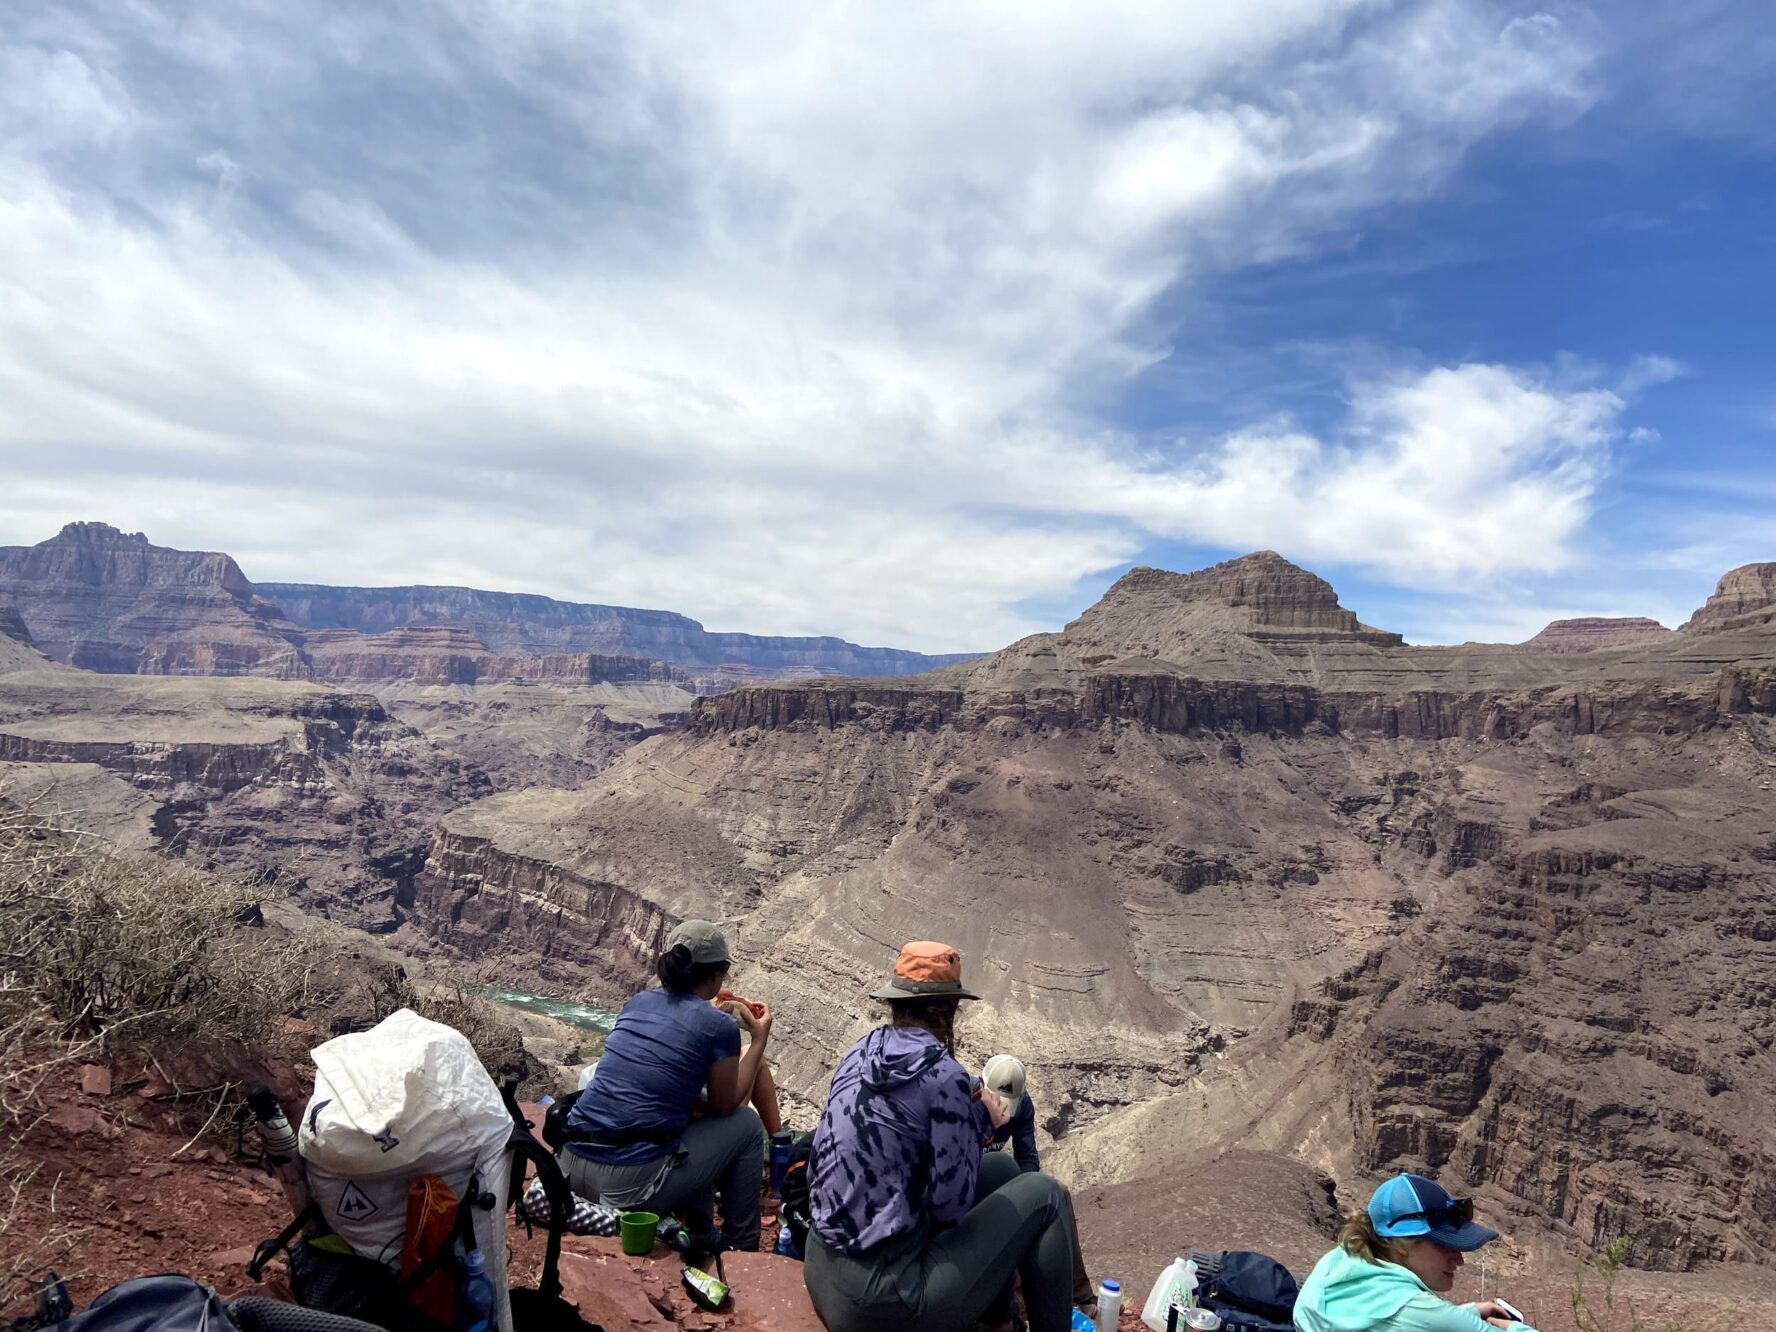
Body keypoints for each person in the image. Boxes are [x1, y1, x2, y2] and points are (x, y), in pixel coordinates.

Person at [803, 941, 1077, 1332]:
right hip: (881, 1300)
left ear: (897, 1003)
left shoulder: (860, 1051)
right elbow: (950, 1207)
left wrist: (969, 1120)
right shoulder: (945, 1077)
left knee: (1000, 1167)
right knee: (1045, 1195)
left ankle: (998, 1322)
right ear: (949, 1011)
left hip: (821, 1265)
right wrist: (981, 1125)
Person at [558, 919, 770, 1250]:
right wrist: (758, 1040)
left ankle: (701, 1231)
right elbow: (727, 1106)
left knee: (693, 1117)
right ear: (716, 975)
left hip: (569, 1167)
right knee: (746, 1126)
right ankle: (742, 1246)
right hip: (624, 1189)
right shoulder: (719, 1026)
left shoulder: (638, 1002)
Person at [1294, 1173, 1536, 1332]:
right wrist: (1509, 1326)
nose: (1459, 1260)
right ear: (1402, 1243)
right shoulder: (1413, 1308)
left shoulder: (1339, 1260)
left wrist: (1467, 1313)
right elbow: (1415, 1315)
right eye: (1442, 1244)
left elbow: (1389, 1318)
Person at [980, 1053, 1095, 1311]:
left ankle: (1081, 1296)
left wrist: (1025, 1204)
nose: (1002, 1110)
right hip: (973, 1186)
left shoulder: (1023, 1106)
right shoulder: (964, 1102)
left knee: (1057, 1193)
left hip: (1003, 1179)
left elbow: (1028, 1159)